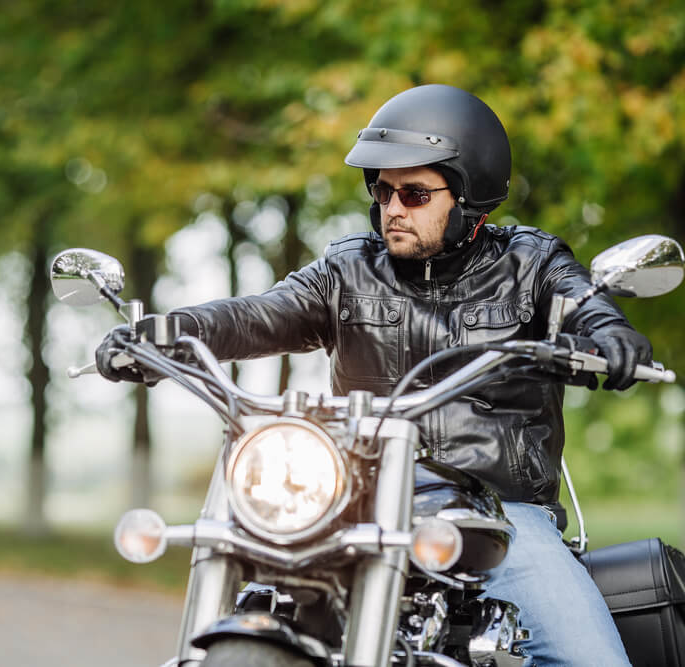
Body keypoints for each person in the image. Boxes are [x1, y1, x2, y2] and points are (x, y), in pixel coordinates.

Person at [96, 84, 650, 666]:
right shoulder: (348, 270)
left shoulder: (530, 265)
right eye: (381, 191)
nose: (392, 208)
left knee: (593, 661)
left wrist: (611, 338)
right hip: (357, 502)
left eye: (414, 193)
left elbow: (586, 306)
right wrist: (165, 334)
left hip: (501, 513)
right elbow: (259, 314)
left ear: (470, 198)